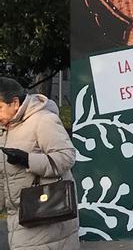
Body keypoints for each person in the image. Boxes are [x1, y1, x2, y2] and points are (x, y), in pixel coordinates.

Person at [0, 77, 80, 249]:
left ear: (14, 102)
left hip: (46, 215)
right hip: (19, 218)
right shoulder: (5, 130)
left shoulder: (43, 120)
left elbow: (67, 156)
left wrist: (28, 160)